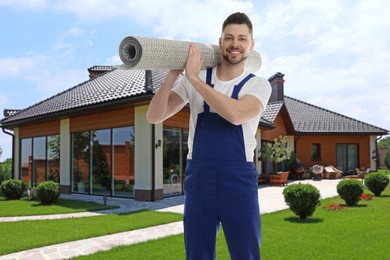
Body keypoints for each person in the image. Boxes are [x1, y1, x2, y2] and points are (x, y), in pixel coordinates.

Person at [147, 12, 271, 260]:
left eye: (242, 38)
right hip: (200, 180)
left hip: (238, 182)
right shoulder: (196, 78)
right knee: (197, 254)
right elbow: (154, 116)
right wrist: (174, 74)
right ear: (220, 42)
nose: (235, 44)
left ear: (251, 45)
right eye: (229, 38)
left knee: (245, 253)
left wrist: (192, 78)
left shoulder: (257, 85)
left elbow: (235, 115)